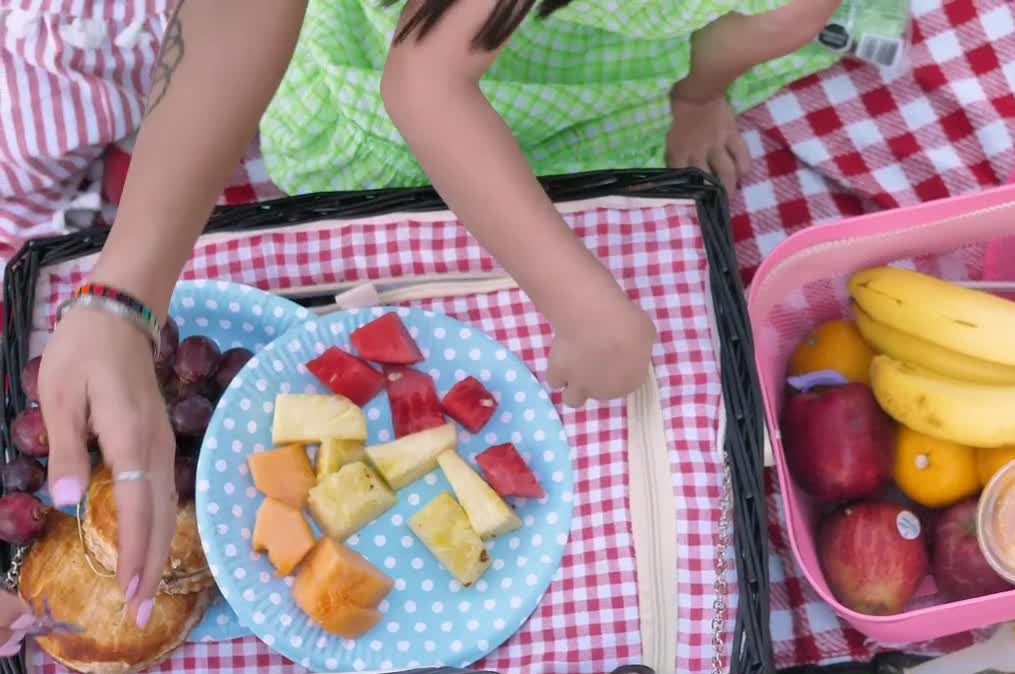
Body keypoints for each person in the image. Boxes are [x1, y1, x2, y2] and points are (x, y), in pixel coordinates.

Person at [23, 0, 840, 638]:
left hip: (597, 62)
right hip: (420, 61)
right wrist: (124, 290)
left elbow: (783, 16)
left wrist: (697, 94)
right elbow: (420, 81)